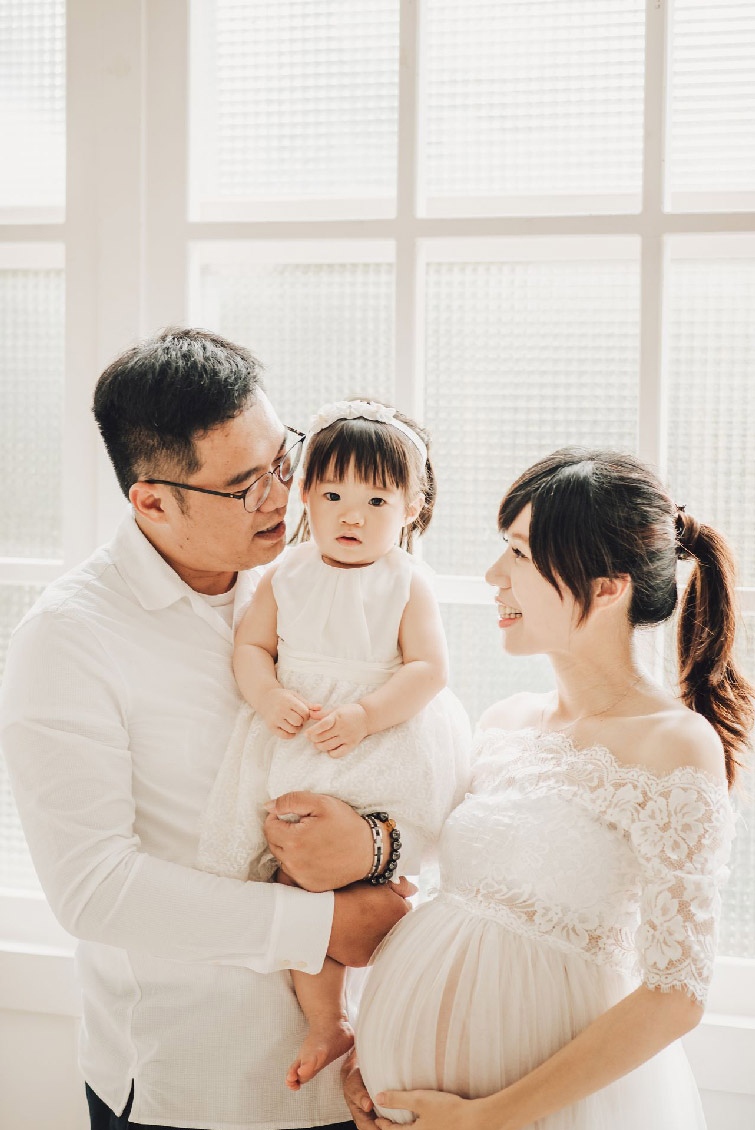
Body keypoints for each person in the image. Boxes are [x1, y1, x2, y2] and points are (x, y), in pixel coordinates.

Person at [0, 328, 415, 1130]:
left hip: (368, 1064)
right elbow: (93, 890)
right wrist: (326, 925)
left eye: (283, 461)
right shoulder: (69, 637)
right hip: (196, 1086)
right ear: (152, 501)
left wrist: (378, 847)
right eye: (245, 486)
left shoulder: (321, 573)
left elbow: (409, 746)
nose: (283, 498)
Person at [346, 448, 754, 1130]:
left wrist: (488, 1117)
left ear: (606, 588)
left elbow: (675, 995)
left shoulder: (673, 745)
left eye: (519, 554)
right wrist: (372, 1046)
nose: (493, 575)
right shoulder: (504, 723)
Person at [196, 399, 470, 1092]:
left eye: (376, 500)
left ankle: (399, 1028)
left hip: (380, 744)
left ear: (409, 508)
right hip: (304, 738)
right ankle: (328, 1021)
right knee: (299, 879)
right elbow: (251, 648)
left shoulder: (406, 581)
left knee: (375, 883)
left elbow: (428, 670)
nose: (352, 516)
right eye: (332, 496)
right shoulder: (286, 573)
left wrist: (366, 715)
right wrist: (268, 696)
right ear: (305, 498)